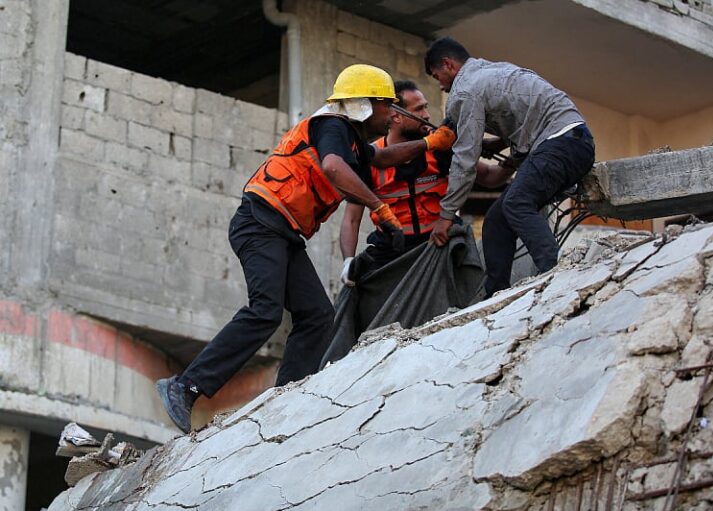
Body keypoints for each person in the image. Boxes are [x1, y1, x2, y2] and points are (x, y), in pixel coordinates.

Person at [156, 64, 456, 433]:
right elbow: (332, 167)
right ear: (364, 104)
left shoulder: (351, 140)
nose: (393, 115)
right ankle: (184, 386)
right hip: (260, 223)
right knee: (265, 311)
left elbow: (379, 159)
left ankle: (284, 398)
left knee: (316, 315)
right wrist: (379, 206)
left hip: (282, 231)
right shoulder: (332, 126)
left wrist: (428, 144)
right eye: (387, 106)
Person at [424, 37, 596, 297]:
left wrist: (446, 216)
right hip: (572, 142)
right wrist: (500, 143)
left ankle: (557, 273)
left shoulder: (465, 90)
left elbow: (465, 161)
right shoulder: (492, 71)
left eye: (438, 77)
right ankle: (496, 295)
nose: (441, 86)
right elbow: (523, 117)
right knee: (496, 221)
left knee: (516, 202)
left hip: (560, 141)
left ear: (448, 65)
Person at [339, 80, 512, 285]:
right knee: (353, 301)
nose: (427, 116)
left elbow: (491, 177)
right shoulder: (369, 158)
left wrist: (517, 155)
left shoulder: (441, 148)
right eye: (419, 109)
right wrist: (348, 262)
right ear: (396, 116)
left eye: (426, 107)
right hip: (392, 253)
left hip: (440, 243)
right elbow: (351, 219)